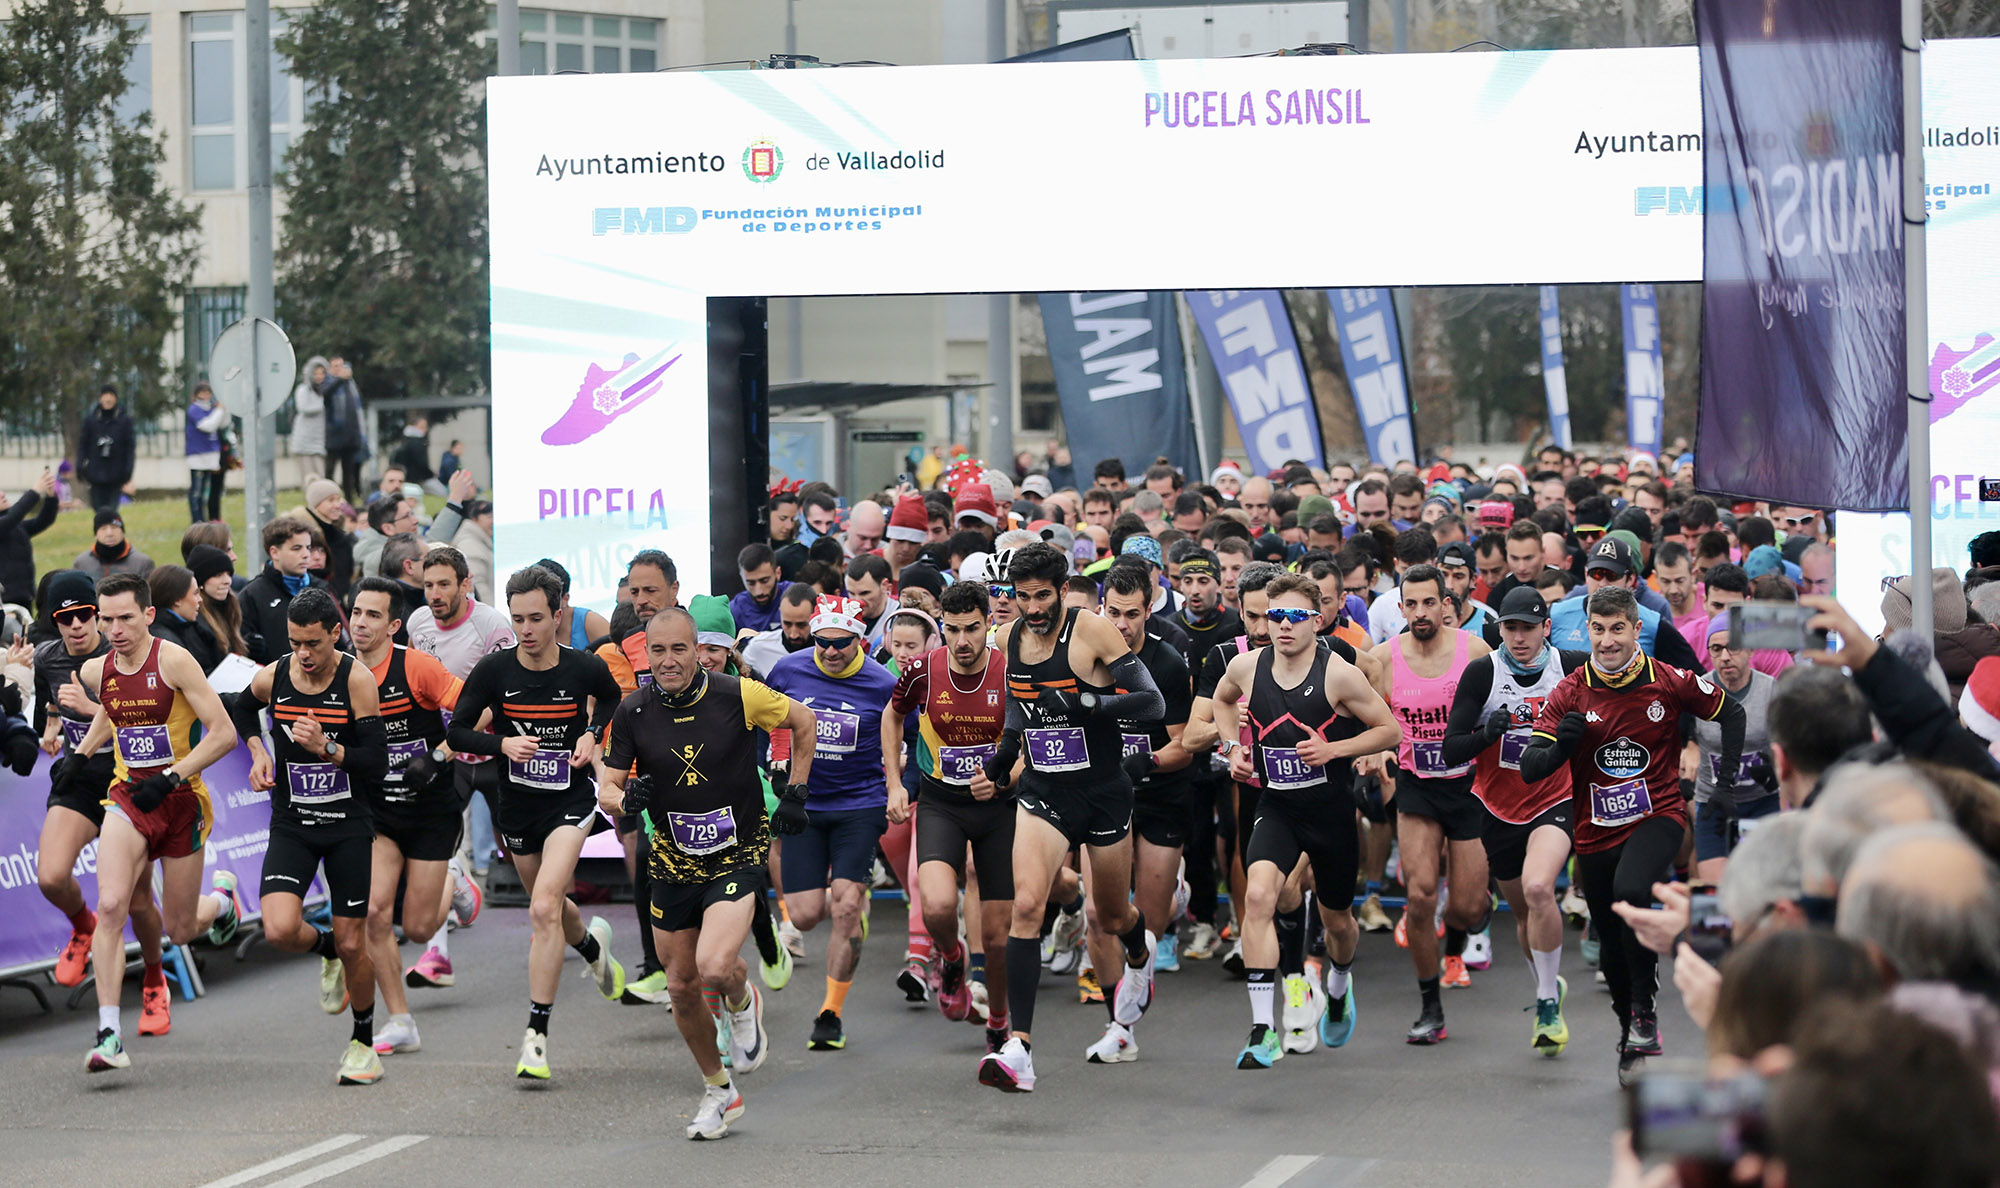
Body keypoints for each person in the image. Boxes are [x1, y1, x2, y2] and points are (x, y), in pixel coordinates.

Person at [598, 607, 818, 1139]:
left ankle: (742, 1003)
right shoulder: (632, 711)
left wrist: (796, 792)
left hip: (736, 850)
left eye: (679, 649)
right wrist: (627, 797)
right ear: (645, 654)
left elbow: (803, 722)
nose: (668, 661)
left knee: (715, 967)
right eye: (658, 651)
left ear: (699, 650)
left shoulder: (737, 694)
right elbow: (606, 789)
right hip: (671, 860)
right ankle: (719, 1090)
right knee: (681, 986)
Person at [1519, 584, 1743, 1085]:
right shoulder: (1570, 691)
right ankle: (1630, 1031)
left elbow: (1732, 712)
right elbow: (1532, 768)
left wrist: (1723, 785)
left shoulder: (1667, 680)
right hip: (1594, 831)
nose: (1607, 641)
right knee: (1612, 936)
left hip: (1657, 814)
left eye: (1618, 629)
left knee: (1631, 892)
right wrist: (1559, 749)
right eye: (1598, 630)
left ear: (1636, 629)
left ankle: (1646, 1010)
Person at [978, 542, 1166, 1094]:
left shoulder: (1092, 631)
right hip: (1044, 790)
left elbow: (1151, 704)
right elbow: (1020, 698)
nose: (1032, 608)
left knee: (1110, 915)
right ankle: (1020, 1049)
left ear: (1063, 590)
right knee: (1028, 905)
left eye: (1043, 596)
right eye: (1023, 597)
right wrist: (1008, 750)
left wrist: (1089, 705)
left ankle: (1139, 948)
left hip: (1104, 792)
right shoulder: (1010, 634)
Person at [446, 565, 627, 1080]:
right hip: (518, 807)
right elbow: (459, 732)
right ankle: (592, 947)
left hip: (569, 802)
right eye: (517, 619)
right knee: (550, 911)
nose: (525, 629)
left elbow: (612, 697)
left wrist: (592, 732)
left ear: (557, 615)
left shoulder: (581, 668)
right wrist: (501, 743)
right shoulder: (495, 671)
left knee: (546, 904)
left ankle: (536, 1037)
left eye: (535, 619)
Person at [1212, 572, 1399, 1069]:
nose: (1283, 626)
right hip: (1277, 806)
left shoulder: (1339, 673)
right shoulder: (1248, 666)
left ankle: (1337, 985)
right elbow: (1221, 700)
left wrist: (1334, 748)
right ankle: (1261, 1029)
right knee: (1257, 895)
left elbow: (1389, 730)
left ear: (1317, 621)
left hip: (1330, 811)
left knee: (1338, 921)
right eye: (1275, 616)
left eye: (1295, 617)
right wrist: (1233, 747)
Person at [60, 573, 239, 1073]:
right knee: (113, 904)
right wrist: (81, 753)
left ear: (148, 615)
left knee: (181, 929)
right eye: (107, 618)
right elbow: (113, 712)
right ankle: (109, 1034)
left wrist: (172, 775)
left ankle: (222, 900)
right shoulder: (97, 671)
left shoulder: (175, 661)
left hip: (181, 801)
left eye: (125, 618)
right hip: (128, 798)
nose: (114, 628)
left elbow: (223, 735)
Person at [229, 587, 391, 1085]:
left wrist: (329, 748)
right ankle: (323, 952)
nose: (304, 654)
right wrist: (258, 751)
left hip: (346, 825)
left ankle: (364, 1042)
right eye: (296, 642)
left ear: (335, 635)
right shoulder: (275, 675)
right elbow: (238, 708)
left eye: (313, 644)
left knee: (353, 943)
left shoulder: (357, 680)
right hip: (294, 823)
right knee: (278, 929)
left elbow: (377, 763)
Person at [1441, 586, 1586, 1056]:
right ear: (1498, 629)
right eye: (1510, 628)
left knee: (1541, 887)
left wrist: (1575, 736)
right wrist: (1488, 733)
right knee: (1524, 914)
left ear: (1547, 628)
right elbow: (1451, 748)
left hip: (1554, 796)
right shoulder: (1484, 672)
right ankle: (1548, 983)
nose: (1519, 638)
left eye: (1528, 627)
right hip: (1498, 806)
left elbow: (1611, 716)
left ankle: (1546, 1002)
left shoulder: (1571, 667)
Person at [30, 572, 170, 1038]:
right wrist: (51, 723)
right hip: (79, 779)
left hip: (128, 781)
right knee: (50, 875)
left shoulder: (119, 655)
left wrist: (89, 710)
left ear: (98, 613)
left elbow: (137, 716)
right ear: (53, 622)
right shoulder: (48, 657)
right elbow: (49, 705)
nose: (76, 626)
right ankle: (83, 926)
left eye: (84, 615)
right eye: (63, 618)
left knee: (136, 901)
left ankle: (154, 977)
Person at [883, 579, 1015, 1056]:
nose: (962, 641)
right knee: (938, 906)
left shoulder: (1008, 669)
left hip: (998, 809)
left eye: (972, 629)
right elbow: (891, 715)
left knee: (998, 941)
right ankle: (953, 959)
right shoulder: (923, 670)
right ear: (943, 627)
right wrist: (896, 782)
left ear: (988, 625)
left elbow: (1035, 732)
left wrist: (1006, 777)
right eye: (953, 629)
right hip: (942, 802)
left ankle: (998, 1021)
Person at [345, 577, 477, 1052]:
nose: (361, 623)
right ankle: (401, 1021)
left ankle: (455, 881)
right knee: (376, 915)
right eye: (357, 613)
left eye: (373, 615)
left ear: (393, 625)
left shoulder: (416, 667)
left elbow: (477, 711)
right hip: (379, 814)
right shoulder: (341, 672)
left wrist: (438, 756)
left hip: (430, 811)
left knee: (419, 929)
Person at [763, 594, 898, 1052]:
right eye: (822, 643)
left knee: (843, 908)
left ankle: (830, 1013)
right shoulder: (790, 670)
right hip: (806, 804)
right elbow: (773, 720)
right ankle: (850, 892)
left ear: (860, 640)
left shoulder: (882, 683)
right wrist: (777, 761)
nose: (831, 652)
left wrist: (905, 788)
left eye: (841, 644)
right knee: (801, 916)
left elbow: (909, 732)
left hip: (860, 804)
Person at [1370, 562, 1493, 1043]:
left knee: (1466, 908)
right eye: (1411, 604)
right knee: (1420, 896)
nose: (1420, 613)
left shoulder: (1477, 652)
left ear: (1448, 605)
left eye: (1429, 602)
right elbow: (1370, 719)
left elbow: (1497, 712)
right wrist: (1377, 751)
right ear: (1400, 608)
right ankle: (1430, 1006)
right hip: (1416, 785)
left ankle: (1456, 942)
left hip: (1469, 786)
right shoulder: (1381, 658)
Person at [1084, 561, 1197, 1062]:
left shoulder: (1168, 663)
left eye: (1132, 614)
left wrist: (1140, 761)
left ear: (1150, 610)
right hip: (1105, 795)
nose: (1122, 624)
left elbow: (1183, 748)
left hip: (1160, 791)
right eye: (1113, 613)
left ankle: (1173, 896)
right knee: (1098, 913)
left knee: (1146, 928)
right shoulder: (1085, 657)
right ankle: (1119, 1024)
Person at [1690, 610, 1781, 883]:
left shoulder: (1770, 690)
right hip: (1713, 803)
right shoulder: (1698, 692)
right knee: (1715, 891)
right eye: (1716, 649)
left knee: (1763, 886)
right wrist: (1689, 746)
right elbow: (1683, 740)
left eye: (1734, 646)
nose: (1726, 656)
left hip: (1761, 802)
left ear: (1750, 649)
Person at [238, 516, 333, 665]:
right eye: (297, 548)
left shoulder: (323, 589)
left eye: (308, 547)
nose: (306, 554)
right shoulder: (252, 595)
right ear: (274, 552)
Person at [146, 565, 224, 674]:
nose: (200, 599)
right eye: (196, 593)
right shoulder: (165, 641)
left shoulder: (189, 627)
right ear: (177, 599)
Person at [0, 468, 59, 608]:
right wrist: (35, 491)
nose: (2, 494)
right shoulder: (7, 523)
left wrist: (50, 496)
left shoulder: (16, 525)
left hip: (25, 595)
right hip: (4, 600)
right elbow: (13, 517)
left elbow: (43, 520)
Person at [78, 384, 135, 515]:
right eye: (105, 396)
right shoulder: (90, 421)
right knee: (98, 510)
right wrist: (80, 465)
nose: (108, 399)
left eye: (111, 396)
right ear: (100, 398)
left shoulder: (124, 421)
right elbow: (83, 444)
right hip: (96, 474)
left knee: (112, 510)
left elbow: (130, 447)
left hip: (116, 474)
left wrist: (128, 470)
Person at [186, 544, 249, 657]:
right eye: (218, 575)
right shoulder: (195, 621)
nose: (227, 581)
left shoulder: (233, 609)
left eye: (229, 574)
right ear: (200, 581)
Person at [741, 582, 816, 675]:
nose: (794, 635)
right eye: (787, 624)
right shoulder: (758, 647)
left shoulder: (828, 653)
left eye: (801, 625)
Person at [184, 382, 230, 524]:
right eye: (202, 392)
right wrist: (220, 411)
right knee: (196, 491)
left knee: (206, 491)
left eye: (208, 392)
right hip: (197, 455)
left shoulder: (212, 409)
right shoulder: (194, 409)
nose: (205, 396)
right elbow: (208, 426)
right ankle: (197, 520)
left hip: (211, 455)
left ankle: (205, 519)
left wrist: (225, 409)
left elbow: (222, 424)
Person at [73, 510, 154, 580]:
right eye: (103, 528)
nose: (109, 533)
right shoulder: (82, 563)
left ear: (122, 532)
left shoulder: (142, 563)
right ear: (96, 534)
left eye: (114, 527)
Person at [731, 544, 790, 634]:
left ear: (778, 573)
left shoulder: (795, 597)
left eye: (764, 581)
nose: (759, 591)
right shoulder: (736, 609)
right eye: (750, 583)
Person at [451, 499, 497, 604]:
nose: (493, 521)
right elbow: (478, 584)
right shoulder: (469, 545)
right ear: (474, 519)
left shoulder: (485, 540)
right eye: (489, 517)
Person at [291, 357, 330, 479]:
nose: (319, 376)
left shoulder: (325, 390)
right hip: (304, 441)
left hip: (319, 440)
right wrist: (322, 404)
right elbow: (303, 408)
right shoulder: (303, 389)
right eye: (316, 373)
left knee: (321, 474)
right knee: (309, 477)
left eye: (322, 373)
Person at [390, 416, 441, 495]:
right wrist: (430, 474)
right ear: (414, 426)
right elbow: (421, 462)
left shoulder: (405, 440)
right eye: (422, 426)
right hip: (418, 478)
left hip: (409, 477)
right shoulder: (416, 442)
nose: (425, 429)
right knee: (441, 492)